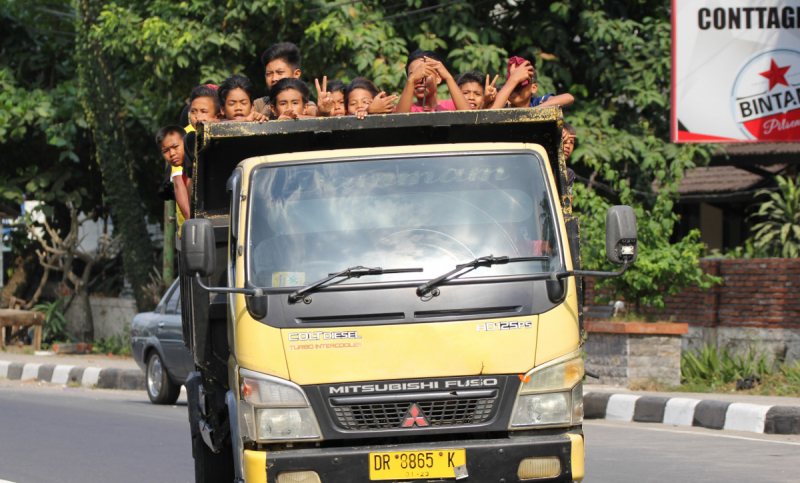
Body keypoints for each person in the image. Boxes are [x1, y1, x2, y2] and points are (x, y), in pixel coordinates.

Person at [395, 49, 470, 113]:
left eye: (425, 74)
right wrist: (411, 80)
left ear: (438, 78)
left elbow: (469, 117)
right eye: (414, 75)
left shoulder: (452, 106)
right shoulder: (406, 108)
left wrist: (448, 77)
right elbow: (399, 121)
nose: (419, 80)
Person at [254, 42, 318, 116]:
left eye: (280, 72)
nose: (274, 78)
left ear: (296, 74)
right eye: (269, 74)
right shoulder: (259, 105)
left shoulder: (302, 103)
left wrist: (324, 111)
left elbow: (317, 115)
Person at [491, 56, 574, 109]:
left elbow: (568, 98)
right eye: (512, 85)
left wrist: (533, 111)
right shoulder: (503, 108)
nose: (515, 88)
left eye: (520, 84)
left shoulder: (535, 103)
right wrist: (513, 80)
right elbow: (489, 115)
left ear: (533, 88)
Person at [156, 125, 190, 230]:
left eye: (175, 147)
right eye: (165, 151)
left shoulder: (194, 170)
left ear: (187, 143)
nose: (172, 154)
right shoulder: (184, 172)